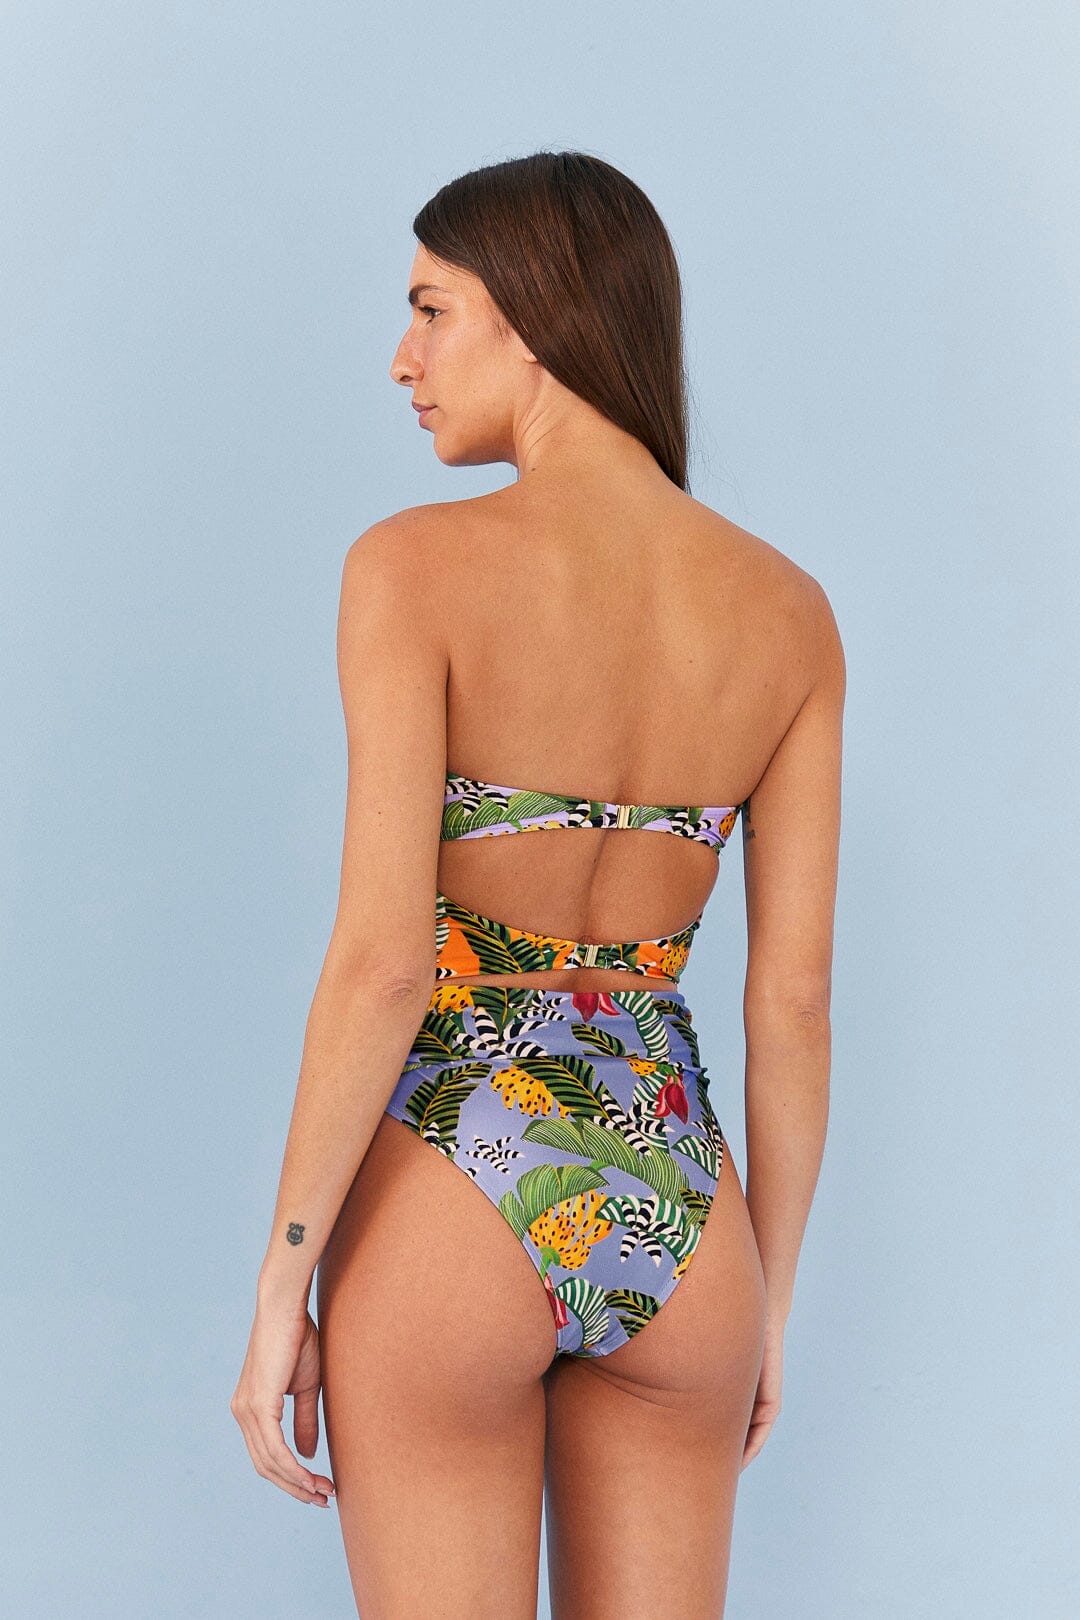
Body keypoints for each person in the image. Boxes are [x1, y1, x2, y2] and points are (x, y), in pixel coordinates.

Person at [231, 149, 844, 1618]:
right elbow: (794, 1001)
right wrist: (766, 1298)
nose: (403, 360)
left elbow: (387, 964)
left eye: (430, 310)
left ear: (533, 315)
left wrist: (282, 1280)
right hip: (681, 1199)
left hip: (456, 1172)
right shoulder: (789, 613)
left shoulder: (412, 569)